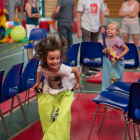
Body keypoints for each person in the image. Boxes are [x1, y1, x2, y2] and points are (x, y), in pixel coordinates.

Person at [33, 36, 81, 140]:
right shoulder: (42, 67)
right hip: (51, 91)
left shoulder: (64, 69)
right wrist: (37, 82)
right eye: (51, 59)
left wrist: (78, 83)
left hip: (65, 92)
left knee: (61, 116)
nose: (55, 61)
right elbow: (39, 71)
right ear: (45, 58)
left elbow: (76, 71)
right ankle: (51, 133)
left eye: (57, 58)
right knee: (48, 114)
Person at [76, 0, 105, 76]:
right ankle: (85, 68)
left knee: (94, 48)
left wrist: (102, 25)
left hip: (96, 27)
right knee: (87, 48)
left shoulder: (100, 1)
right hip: (85, 26)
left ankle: (92, 65)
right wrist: (78, 29)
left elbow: (101, 13)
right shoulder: (82, 1)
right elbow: (78, 15)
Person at [102, 21, 129, 91]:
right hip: (110, 62)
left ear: (116, 32)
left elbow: (126, 49)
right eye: (108, 29)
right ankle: (110, 90)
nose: (109, 30)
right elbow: (110, 48)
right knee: (110, 77)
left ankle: (117, 90)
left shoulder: (117, 40)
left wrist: (119, 57)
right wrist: (106, 50)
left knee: (117, 78)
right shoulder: (106, 39)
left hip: (118, 63)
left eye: (111, 29)